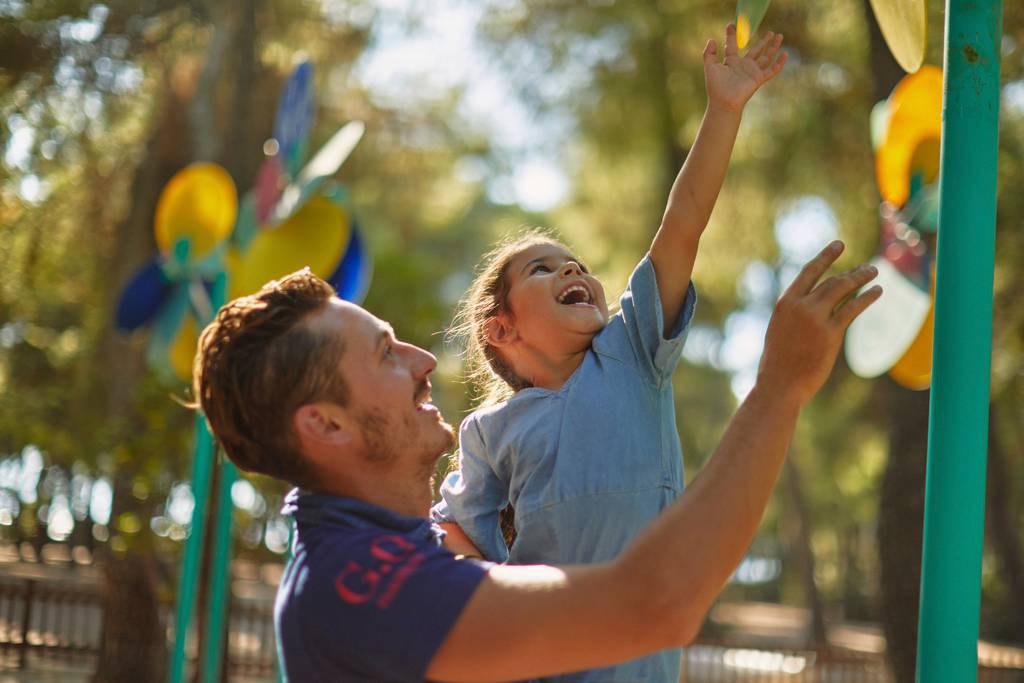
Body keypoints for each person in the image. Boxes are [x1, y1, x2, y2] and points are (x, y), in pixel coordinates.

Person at [192, 241, 880, 682]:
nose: (425, 361)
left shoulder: (396, 555)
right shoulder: (361, 583)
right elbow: (655, 603)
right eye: (384, 354)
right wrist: (779, 389)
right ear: (325, 424)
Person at [430, 24, 786, 682]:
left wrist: (724, 109)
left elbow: (683, 223)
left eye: (579, 264)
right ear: (501, 329)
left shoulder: (633, 351)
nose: (576, 271)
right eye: (543, 268)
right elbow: (454, 536)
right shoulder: (488, 432)